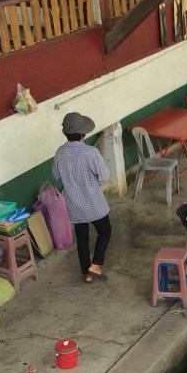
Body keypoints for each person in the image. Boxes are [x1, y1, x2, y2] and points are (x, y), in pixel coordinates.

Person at [53, 112, 111, 284]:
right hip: (93, 202)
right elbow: (104, 176)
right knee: (105, 231)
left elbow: (57, 175)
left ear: (66, 133)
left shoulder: (60, 153)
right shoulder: (90, 152)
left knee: (82, 238)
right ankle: (96, 264)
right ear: (83, 134)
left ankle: (86, 272)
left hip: (74, 204)